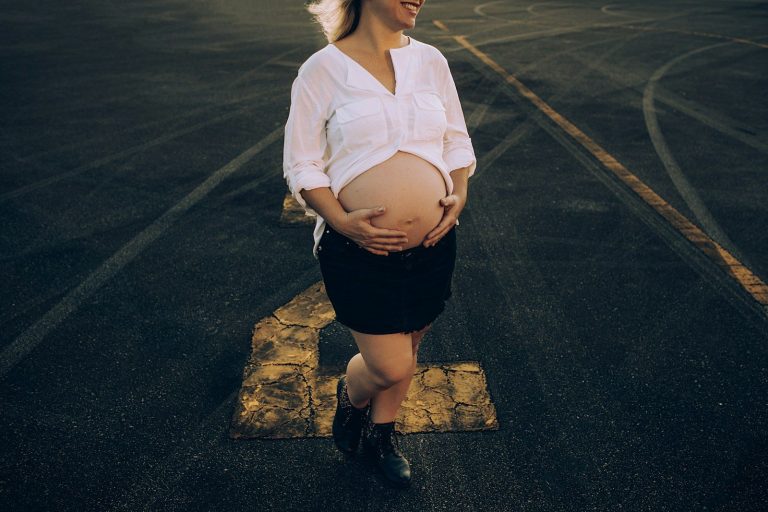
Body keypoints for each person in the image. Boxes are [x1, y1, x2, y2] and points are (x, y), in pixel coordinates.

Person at [282, 0, 476, 488]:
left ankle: (382, 434)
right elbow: (302, 163)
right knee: (391, 363)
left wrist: (458, 197)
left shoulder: (431, 61)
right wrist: (342, 221)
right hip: (357, 251)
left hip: (434, 243)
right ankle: (352, 396)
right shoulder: (322, 70)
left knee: (412, 340)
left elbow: (456, 140)